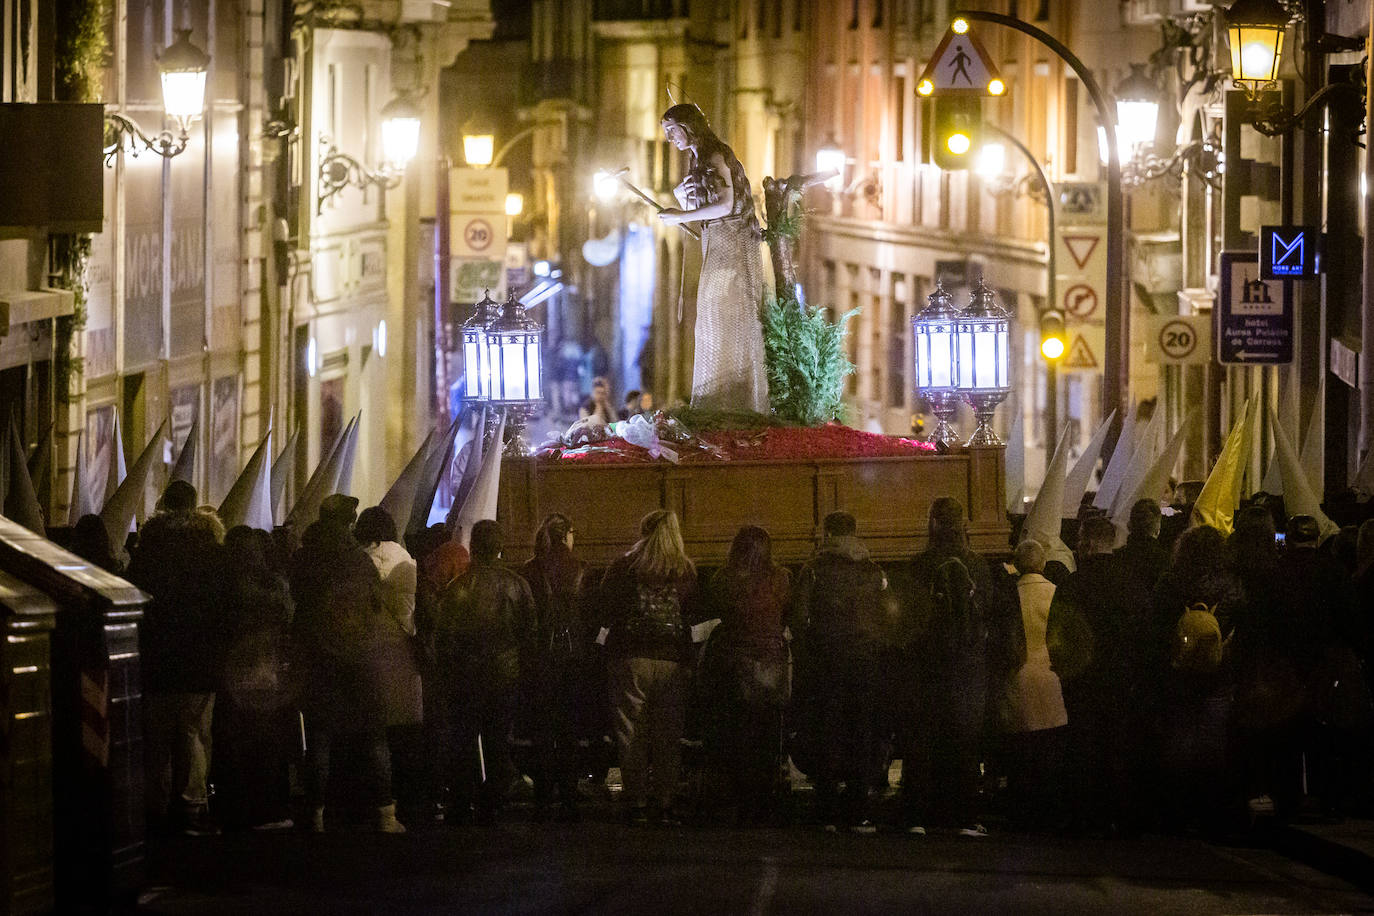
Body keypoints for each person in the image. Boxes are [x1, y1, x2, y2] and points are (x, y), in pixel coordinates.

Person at [289, 493, 404, 834]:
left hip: (316, 657)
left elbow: (297, 598)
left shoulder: (304, 558)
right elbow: (373, 605)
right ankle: (385, 814)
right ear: (347, 523)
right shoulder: (358, 561)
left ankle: (316, 816)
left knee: (319, 738)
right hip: (357, 655)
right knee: (373, 736)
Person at [129, 480, 228, 836]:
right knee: (194, 733)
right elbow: (223, 606)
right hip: (199, 658)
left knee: (155, 737)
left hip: (155, 656)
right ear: (194, 505)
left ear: (163, 505)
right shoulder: (212, 552)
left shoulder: (148, 551)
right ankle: (192, 807)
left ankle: (155, 808)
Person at [658, 102, 769, 413]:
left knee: (724, 315)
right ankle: (719, 399)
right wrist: (683, 197)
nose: (670, 139)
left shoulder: (715, 155)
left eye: (672, 131)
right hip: (715, 241)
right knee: (711, 318)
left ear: (688, 126)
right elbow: (703, 203)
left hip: (731, 241)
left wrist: (682, 215)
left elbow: (725, 204)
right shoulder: (698, 160)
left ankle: (735, 401)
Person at [598, 509, 699, 826]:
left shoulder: (623, 567)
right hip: (671, 662)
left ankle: (638, 801)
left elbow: (604, 608)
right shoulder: (684, 570)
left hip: (631, 659)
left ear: (643, 533)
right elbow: (694, 623)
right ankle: (666, 800)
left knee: (631, 733)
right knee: (668, 733)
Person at [792, 510, 891, 833]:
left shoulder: (814, 570)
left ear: (827, 534)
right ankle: (860, 809)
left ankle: (827, 811)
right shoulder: (872, 570)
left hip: (827, 662)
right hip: (864, 661)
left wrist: (808, 657)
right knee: (862, 732)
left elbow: (800, 618)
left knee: (828, 732)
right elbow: (887, 616)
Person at [435, 519, 536, 825]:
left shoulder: (459, 587)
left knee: (463, 741)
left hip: (466, 675)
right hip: (504, 673)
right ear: (500, 547)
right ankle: (493, 804)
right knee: (497, 741)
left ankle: (461, 804)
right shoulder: (516, 584)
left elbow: (445, 637)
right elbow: (529, 631)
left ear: (473, 547)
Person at [902, 497, 993, 838]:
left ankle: (917, 815)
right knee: (964, 742)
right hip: (967, 666)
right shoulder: (979, 566)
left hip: (927, 664)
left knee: (922, 741)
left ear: (933, 525)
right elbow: (987, 612)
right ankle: (965, 815)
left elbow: (907, 618)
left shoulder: (918, 566)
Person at [706, 525, 795, 825]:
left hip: (733, 665)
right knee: (767, 737)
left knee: (736, 736)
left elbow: (716, 609)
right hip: (770, 664)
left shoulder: (723, 578)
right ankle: (764, 802)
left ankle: (740, 802)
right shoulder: (780, 578)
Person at [212, 525, 294, 831]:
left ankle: (233, 806)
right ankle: (268, 806)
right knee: (266, 740)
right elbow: (286, 621)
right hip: (266, 669)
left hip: (232, 672)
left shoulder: (223, 585)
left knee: (231, 741)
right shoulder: (274, 584)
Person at [1046, 516, 1124, 833]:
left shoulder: (1073, 586)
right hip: (1119, 679)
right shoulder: (1129, 583)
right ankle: (1115, 811)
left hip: (1081, 679)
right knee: (1116, 744)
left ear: (1088, 543)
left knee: (1083, 744)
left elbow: (1056, 633)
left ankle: (1084, 812)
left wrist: (1063, 669)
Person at [355, 506, 426, 826]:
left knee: (372, 734)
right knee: (403, 735)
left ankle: (380, 805)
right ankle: (404, 803)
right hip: (397, 653)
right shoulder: (404, 561)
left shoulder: (358, 561)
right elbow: (407, 614)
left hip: (363, 651)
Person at [517, 513, 591, 821]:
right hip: (573, 658)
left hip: (539, 659)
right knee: (569, 730)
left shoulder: (529, 570)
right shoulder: (581, 569)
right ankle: (570, 796)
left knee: (543, 731)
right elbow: (589, 616)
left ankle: (544, 796)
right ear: (566, 536)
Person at [998, 540, 1067, 829]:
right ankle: (1047, 811)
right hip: (1051, 678)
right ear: (1042, 564)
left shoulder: (1010, 595)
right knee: (1047, 751)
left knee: (1020, 752)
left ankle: (1020, 812)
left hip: (1017, 679)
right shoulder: (1055, 593)